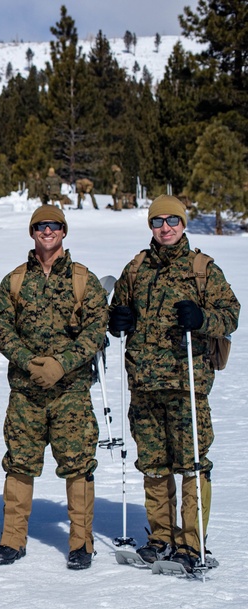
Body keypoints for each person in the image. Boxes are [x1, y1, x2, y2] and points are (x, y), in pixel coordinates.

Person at [108, 195, 240, 572]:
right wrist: (118, 319)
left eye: (172, 221)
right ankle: (160, 536)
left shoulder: (203, 269)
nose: (165, 228)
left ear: (182, 224)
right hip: (145, 383)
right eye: (157, 221)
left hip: (187, 384)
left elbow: (230, 314)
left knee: (192, 464)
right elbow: (118, 307)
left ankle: (191, 542)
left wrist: (202, 318)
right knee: (153, 463)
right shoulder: (135, 268)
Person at [0, 205, 106, 570]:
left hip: (70, 392)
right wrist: (28, 361)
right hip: (26, 392)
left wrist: (62, 364)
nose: (47, 231)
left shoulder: (83, 279)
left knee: (77, 465)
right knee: (20, 464)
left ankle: (81, 543)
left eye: (54, 226)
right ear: (32, 232)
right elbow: (1, 328)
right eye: (40, 226)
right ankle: (12, 540)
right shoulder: (15, 280)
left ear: (63, 231)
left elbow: (96, 329)